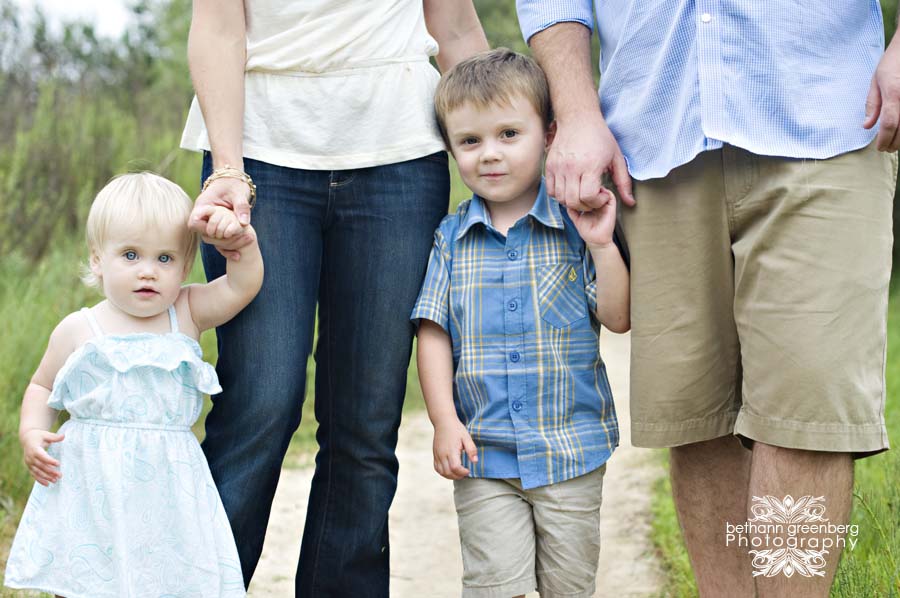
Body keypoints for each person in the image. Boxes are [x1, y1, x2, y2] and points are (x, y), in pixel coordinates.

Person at [517, 2, 898, 596]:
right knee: (696, 415)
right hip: (654, 131)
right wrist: (575, 109)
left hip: (827, 113)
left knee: (804, 415)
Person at [180, 1, 488, 595]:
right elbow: (218, 29)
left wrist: (518, 162)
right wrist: (227, 170)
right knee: (260, 405)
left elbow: (455, 30)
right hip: (259, 159)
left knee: (366, 424)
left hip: (399, 158)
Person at [412, 48, 630, 598]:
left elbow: (619, 318)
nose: (490, 154)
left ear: (549, 134)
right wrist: (443, 420)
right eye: (470, 141)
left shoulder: (574, 224)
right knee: (493, 587)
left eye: (509, 134)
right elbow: (432, 330)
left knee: (569, 586)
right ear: (452, 148)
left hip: (570, 453)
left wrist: (602, 245)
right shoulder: (450, 237)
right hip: (484, 457)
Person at [4, 172, 263, 598]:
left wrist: (243, 248)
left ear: (184, 265)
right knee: (86, 575)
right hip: (92, 484)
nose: (148, 271)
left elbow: (241, 286)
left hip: (165, 486)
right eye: (130, 255)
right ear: (96, 260)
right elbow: (39, 386)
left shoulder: (187, 312)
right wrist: (32, 432)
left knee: (164, 575)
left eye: (165, 259)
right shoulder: (79, 328)